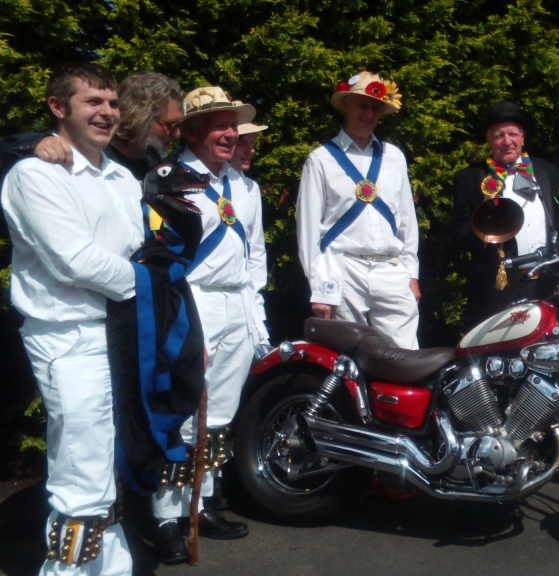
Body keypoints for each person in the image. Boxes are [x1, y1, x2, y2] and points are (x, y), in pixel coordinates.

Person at [2, 61, 141, 576]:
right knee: (81, 467)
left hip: (121, 333)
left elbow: (141, 248)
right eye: (92, 102)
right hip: (69, 336)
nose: (107, 113)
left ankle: (111, 568)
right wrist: (150, 287)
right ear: (58, 109)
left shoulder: (122, 178)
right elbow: (74, 261)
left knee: (109, 462)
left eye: (112, 103)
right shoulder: (34, 174)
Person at [151, 86, 269, 563]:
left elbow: (255, 254)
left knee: (218, 416)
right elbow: (160, 259)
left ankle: (202, 503)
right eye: (218, 125)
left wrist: (255, 318)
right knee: (181, 414)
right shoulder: (169, 180)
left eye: (231, 124)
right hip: (193, 300)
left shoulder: (245, 186)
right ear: (193, 131)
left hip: (236, 305)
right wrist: (180, 323)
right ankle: (164, 516)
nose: (229, 133)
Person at [296, 71, 420, 348]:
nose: (369, 114)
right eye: (362, 105)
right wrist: (320, 287)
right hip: (343, 268)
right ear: (346, 105)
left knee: (405, 355)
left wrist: (412, 273)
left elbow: (407, 222)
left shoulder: (394, 157)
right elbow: (308, 231)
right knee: (348, 358)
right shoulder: (320, 159)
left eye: (376, 107)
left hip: (391, 269)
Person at [452, 101, 559, 329]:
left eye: (513, 134)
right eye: (498, 135)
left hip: (547, 283)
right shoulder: (469, 178)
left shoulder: (547, 172)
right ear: (488, 139)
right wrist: (486, 227)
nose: (507, 142)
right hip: (500, 287)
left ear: (523, 137)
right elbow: (459, 235)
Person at [0, 71, 184, 180]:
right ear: (140, 116)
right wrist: (35, 143)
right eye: (171, 125)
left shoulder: (155, 168)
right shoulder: (86, 155)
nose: (177, 134)